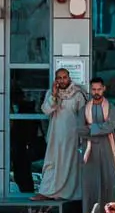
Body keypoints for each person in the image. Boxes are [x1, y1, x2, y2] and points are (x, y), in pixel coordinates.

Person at [32, 68, 87, 201]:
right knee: (52, 162)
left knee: (69, 162)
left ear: (69, 78)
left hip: (71, 135)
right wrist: (55, 95)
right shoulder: (51, 93)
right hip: (55, 134)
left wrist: (82, 135)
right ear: (56, 80)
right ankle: (46, 192)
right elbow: (46, 110)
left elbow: (83, 116)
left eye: (64, 77)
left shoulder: (78, 94)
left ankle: (66, 193)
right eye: (59, 78)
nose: (62, 80)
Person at [79, 77, 115, 213]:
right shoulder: (84, 109)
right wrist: (96, 130)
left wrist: (90, 128)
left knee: (109, 180)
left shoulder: (112, 108)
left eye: (99, 89)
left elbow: (110, 126)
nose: (96, 92)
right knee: (90, 183)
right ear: (91, 90)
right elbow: (79, 129)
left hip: (107, 148)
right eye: (94, 89)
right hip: (89, 150)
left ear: (104, 89)